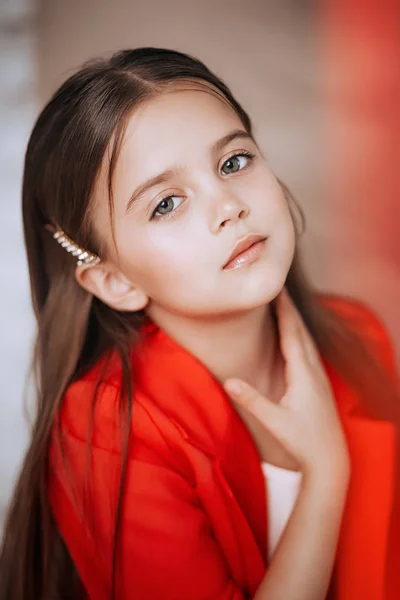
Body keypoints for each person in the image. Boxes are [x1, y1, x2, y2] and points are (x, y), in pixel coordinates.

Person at [0, 47, 399, 600]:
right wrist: (325, 474)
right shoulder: (109, 430)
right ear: (116, 280)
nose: (228, 205)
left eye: (233, 162)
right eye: (166, 203)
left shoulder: (356, 333)